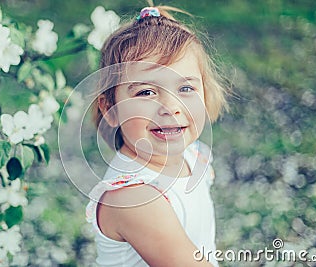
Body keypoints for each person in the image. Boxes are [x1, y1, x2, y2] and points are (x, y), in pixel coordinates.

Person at [85, 2, 228, 266]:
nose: (171, 107)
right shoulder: (135, 198)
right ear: (111, 109)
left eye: (186, 89)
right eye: (146, 92)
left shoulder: (190, 156)